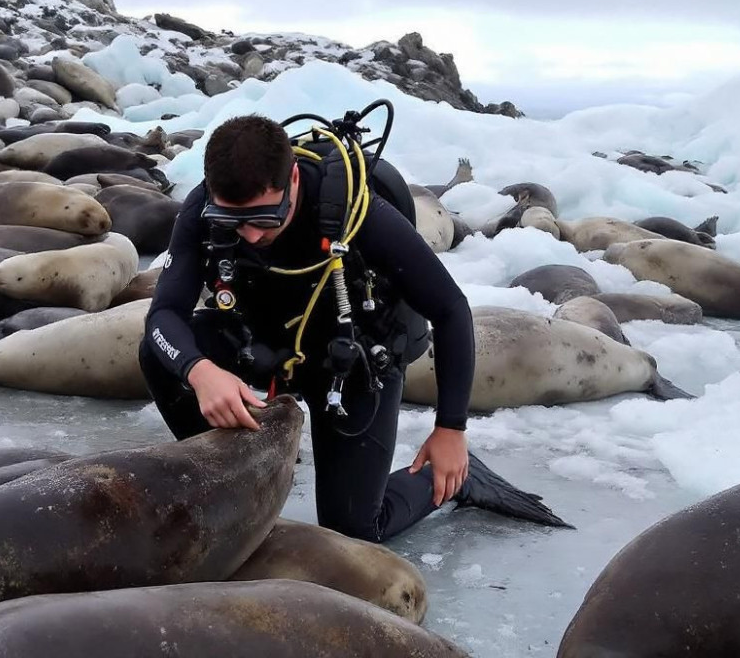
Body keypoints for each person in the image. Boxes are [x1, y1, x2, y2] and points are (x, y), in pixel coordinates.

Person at [140, 113, 562, 543]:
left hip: (351, 360)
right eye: (233, 222)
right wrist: (199, 370)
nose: (248, 236)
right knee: (159, 357)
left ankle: (456, 479)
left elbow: (451, 309)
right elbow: (163, 316)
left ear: (293, 184)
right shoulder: (203, 210)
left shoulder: (357, 213)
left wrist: (451, 428)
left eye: (265, 219)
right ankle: (233, 479)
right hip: (262, 343)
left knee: (354, 530)